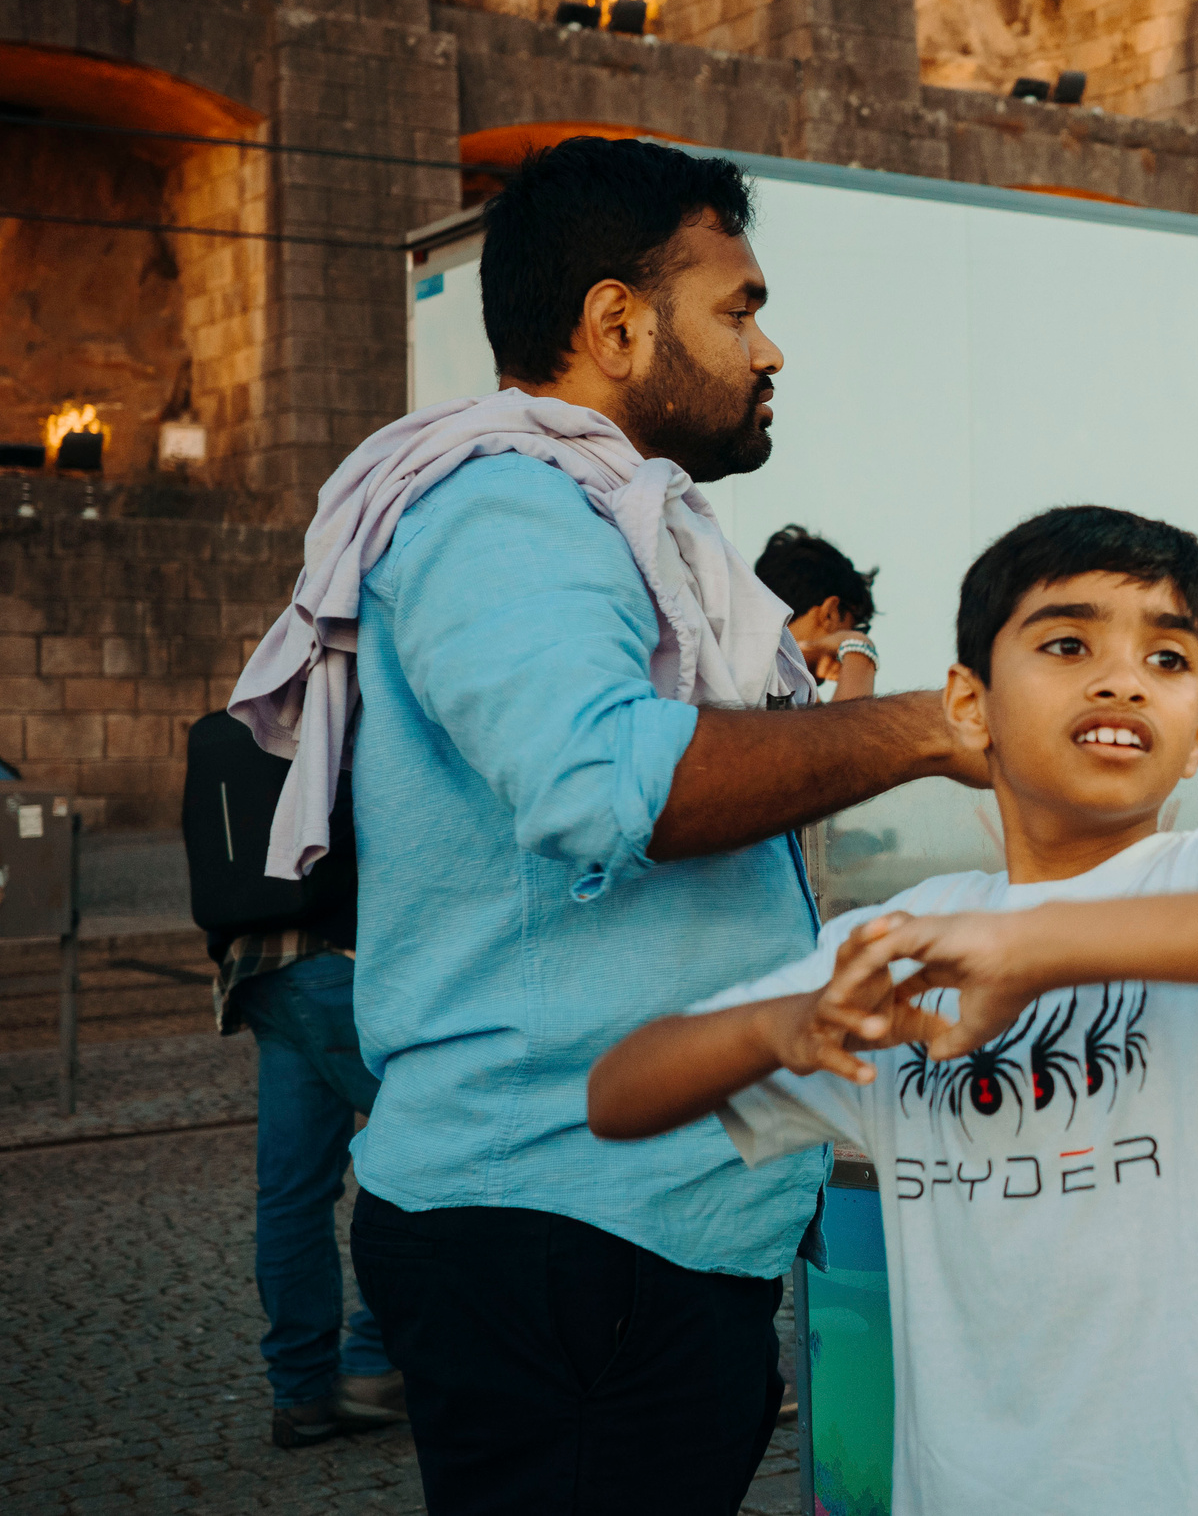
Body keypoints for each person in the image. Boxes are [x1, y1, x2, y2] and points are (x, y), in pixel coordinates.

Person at [230, 138, 984, 1514]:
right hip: (561, 1230)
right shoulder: (501, 508)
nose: (770, 349)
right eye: (739, 307)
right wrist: (935, 725)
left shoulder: (618, 516)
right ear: (617, 323)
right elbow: (600, 779)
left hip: (629, 1230)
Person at [586, 505, 1198, 1515]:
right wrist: (779, 1027)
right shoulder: (900, 937)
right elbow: (618, 1095)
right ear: (970, 704)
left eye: (1168, 659)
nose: (1123, 678)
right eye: (1067, 643)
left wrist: (1036, 946)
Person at [209, 807, 406, 1448]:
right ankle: (377, 1365)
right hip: (340, 958)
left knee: (292, 1192)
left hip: (260, 967)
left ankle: (302, 1393)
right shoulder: (357, 705)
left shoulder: (245, 722)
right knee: (441, 1142)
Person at [756, 523, 880, 697]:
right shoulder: (772, 685)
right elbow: (849, 724)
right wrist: (859, 647)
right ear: (830, 612)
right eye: (851, 627)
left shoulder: (737, 659)